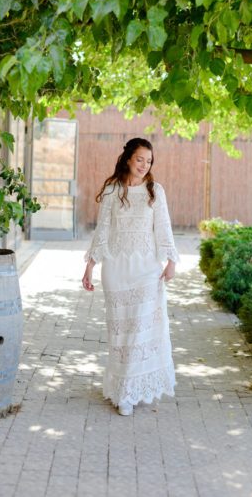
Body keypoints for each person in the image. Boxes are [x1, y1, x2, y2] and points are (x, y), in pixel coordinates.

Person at [82, 138, 177, 416]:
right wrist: (89, 266)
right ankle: (124, 389)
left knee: (142, 330)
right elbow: (102, 230)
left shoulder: (155, 191)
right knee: (121, 333)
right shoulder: (112, 190)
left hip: (146, 270)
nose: (144, 165)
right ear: (127, 159)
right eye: (139, 159)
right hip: (116, 270)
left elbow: (163, 227)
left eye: (148, 161)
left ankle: (133, 390)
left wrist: (171, 260)